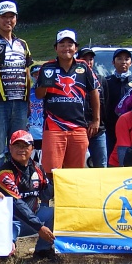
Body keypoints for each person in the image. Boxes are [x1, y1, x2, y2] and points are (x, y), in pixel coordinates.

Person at [0, 0, 33, 182]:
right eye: (4, 17)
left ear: (16, 19)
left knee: (18, 149)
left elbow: (27, 74)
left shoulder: (23, 44)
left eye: (11, 16)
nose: (7, 20)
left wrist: (29, 102)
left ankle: (17, 186)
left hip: (20, 104)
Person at [34, 30, 100, 177]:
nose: (66, 48)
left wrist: (96, 120)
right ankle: (47, 200)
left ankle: (71, 201)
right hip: (53, 127)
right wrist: (45, 82)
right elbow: (39, 95)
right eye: (62, 44)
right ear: (55, 48)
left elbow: (94, 91)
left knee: (75, 174)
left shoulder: (83, 67)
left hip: (78, 127)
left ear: (76, 48)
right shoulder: (47, 67)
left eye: (70, 44)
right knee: (50, 172)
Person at [0, 130, 57, 262]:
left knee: (55, 213)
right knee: (3, 255)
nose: (21, 150)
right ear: (10, 148)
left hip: (34, 215)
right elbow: (17, 204)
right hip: (10, 221)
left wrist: (55, 182)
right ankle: (7, 247)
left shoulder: (38, 168)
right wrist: (39, 227)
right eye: (17, 146)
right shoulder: (5, 173)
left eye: (25, 146)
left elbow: (45, 193)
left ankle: (43, 250)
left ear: (32, 148)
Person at [104, 48, 132, 157]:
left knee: (130, 156)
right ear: (113, 62)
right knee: (110, 157)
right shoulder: (106, 81)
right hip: (110, 127)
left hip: (131, 126)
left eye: (126, 59)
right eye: (119, 59)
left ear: (131, 62)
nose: (123, 61)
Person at [77, 46, 107, 167]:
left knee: (101, 165)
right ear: (78, 60)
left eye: (91, 59)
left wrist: (98, 122)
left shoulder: (101, 79)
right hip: (78, 129)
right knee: (77, 165)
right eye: (85, 59)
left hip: (98, 130)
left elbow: (106, 105)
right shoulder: (73, 79)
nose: (88, 62)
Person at [27, 64, 44, 161]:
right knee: (31, 162)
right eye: (35, 75)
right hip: (31, 133)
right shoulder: (28, 92)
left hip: (45, 133)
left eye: (39, 74)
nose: (37, 77)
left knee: (44, 163)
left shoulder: (48, 92)